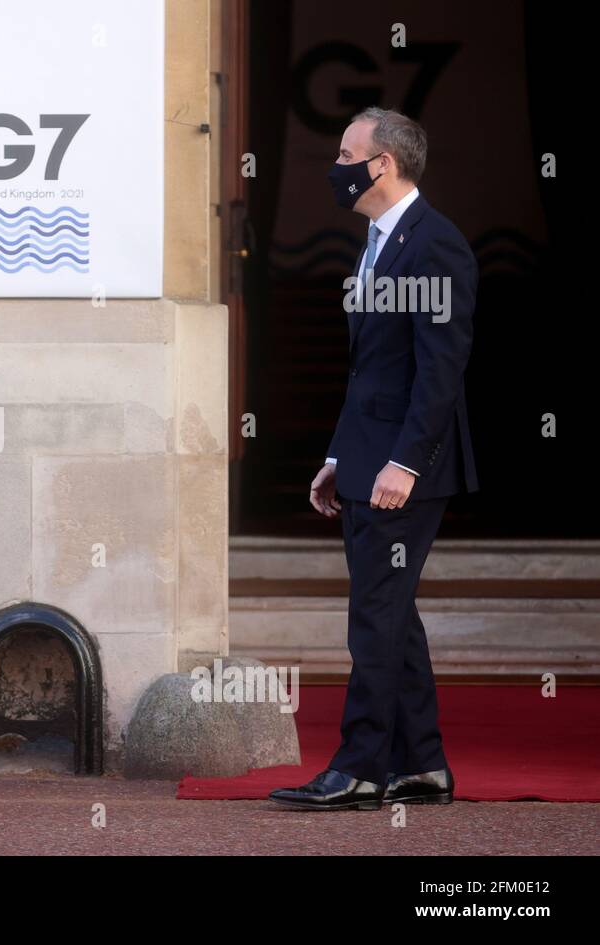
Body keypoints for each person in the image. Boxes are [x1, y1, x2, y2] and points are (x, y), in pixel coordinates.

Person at [270, 108, 478, 811]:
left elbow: (439, 372)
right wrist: (340, 455)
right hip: (368, 458)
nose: (337, 165)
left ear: (382, 163)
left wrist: (405, 465)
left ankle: (359, 765)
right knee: (393, 616)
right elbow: (372, 372)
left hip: (406, 472)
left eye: (345, 152)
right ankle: (422, 764)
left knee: (374, 616)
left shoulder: (435, 245)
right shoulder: (377, 239)